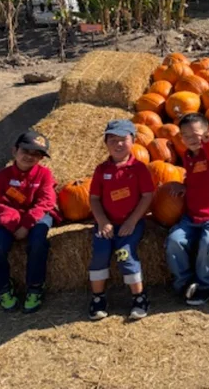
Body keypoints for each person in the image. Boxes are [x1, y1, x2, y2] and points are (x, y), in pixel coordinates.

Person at [0, 131, 59, 313]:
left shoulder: (44, 175)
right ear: (14, 151)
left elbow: (46, 202)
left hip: (38, 216)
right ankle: (3, 288)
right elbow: (0, 203)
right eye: (26, 150)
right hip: (11, 218)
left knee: (38, 243)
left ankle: (35, 287)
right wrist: (14, 225)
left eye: (37, 154)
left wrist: (26, 225)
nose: (30, 157)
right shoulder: (3, 176)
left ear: (41, 158)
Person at [88, 120, 154, 320]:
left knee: (125, 254)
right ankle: (98, 298)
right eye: (113, 140)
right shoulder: (101, 170)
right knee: (100, 253)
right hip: (107, 223)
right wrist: (102, 221)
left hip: (130, 223)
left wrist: (132, 221)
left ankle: (139, 298)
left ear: (133, 140)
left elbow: (147, 196)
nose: (118, 144)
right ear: (106, 143)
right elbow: (94, 199)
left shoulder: (139, 169)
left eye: (123, 140)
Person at [165, 113, 209, 306]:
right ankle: (184, 283)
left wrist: (208, 142)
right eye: (186, 136)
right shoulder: (187, 156)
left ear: (206, 134)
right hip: (191, 216)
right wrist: (184, 186)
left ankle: (206, 284)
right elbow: (195, 179)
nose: (192, 140)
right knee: (174, 241)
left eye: (196, 135)